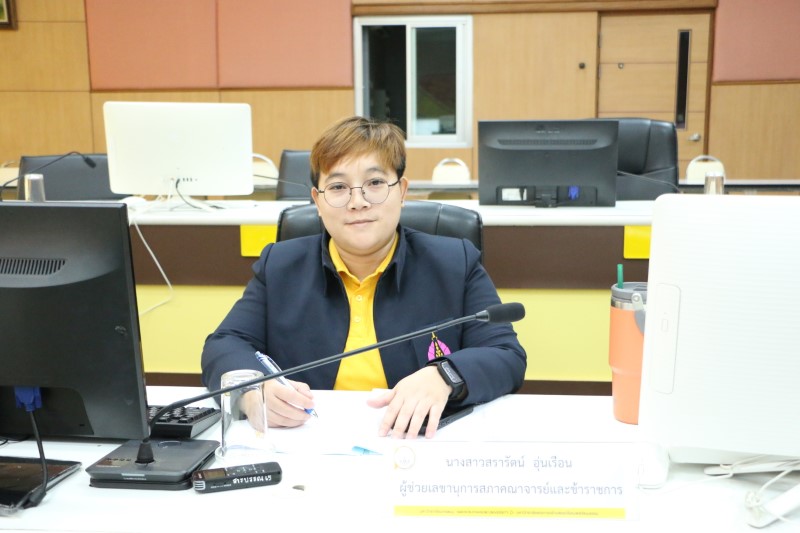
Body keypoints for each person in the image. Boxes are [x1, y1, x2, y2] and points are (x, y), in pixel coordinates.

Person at [201, 116, 526, 438]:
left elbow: (505, 355)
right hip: (307, 441)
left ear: (402, 191)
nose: (358, 202)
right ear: (317, 201)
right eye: (338, 187)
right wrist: (252, 390)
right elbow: (225, 344)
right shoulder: (280, 266)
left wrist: (445, 376)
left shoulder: (454, 262)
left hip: (414, 440)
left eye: (375, 183)